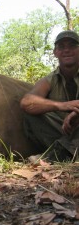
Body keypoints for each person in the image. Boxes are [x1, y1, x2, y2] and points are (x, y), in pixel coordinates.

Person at [20, 30, 79, 161]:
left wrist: (76, 113)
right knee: (31, 114)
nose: (67, 50)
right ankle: (65, 152)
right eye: (61, 47)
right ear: (55, 53)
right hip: (63, 130)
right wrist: (62, 106)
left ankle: (57, 155)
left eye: (72, 46)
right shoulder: (49, 79)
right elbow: (26, 102)